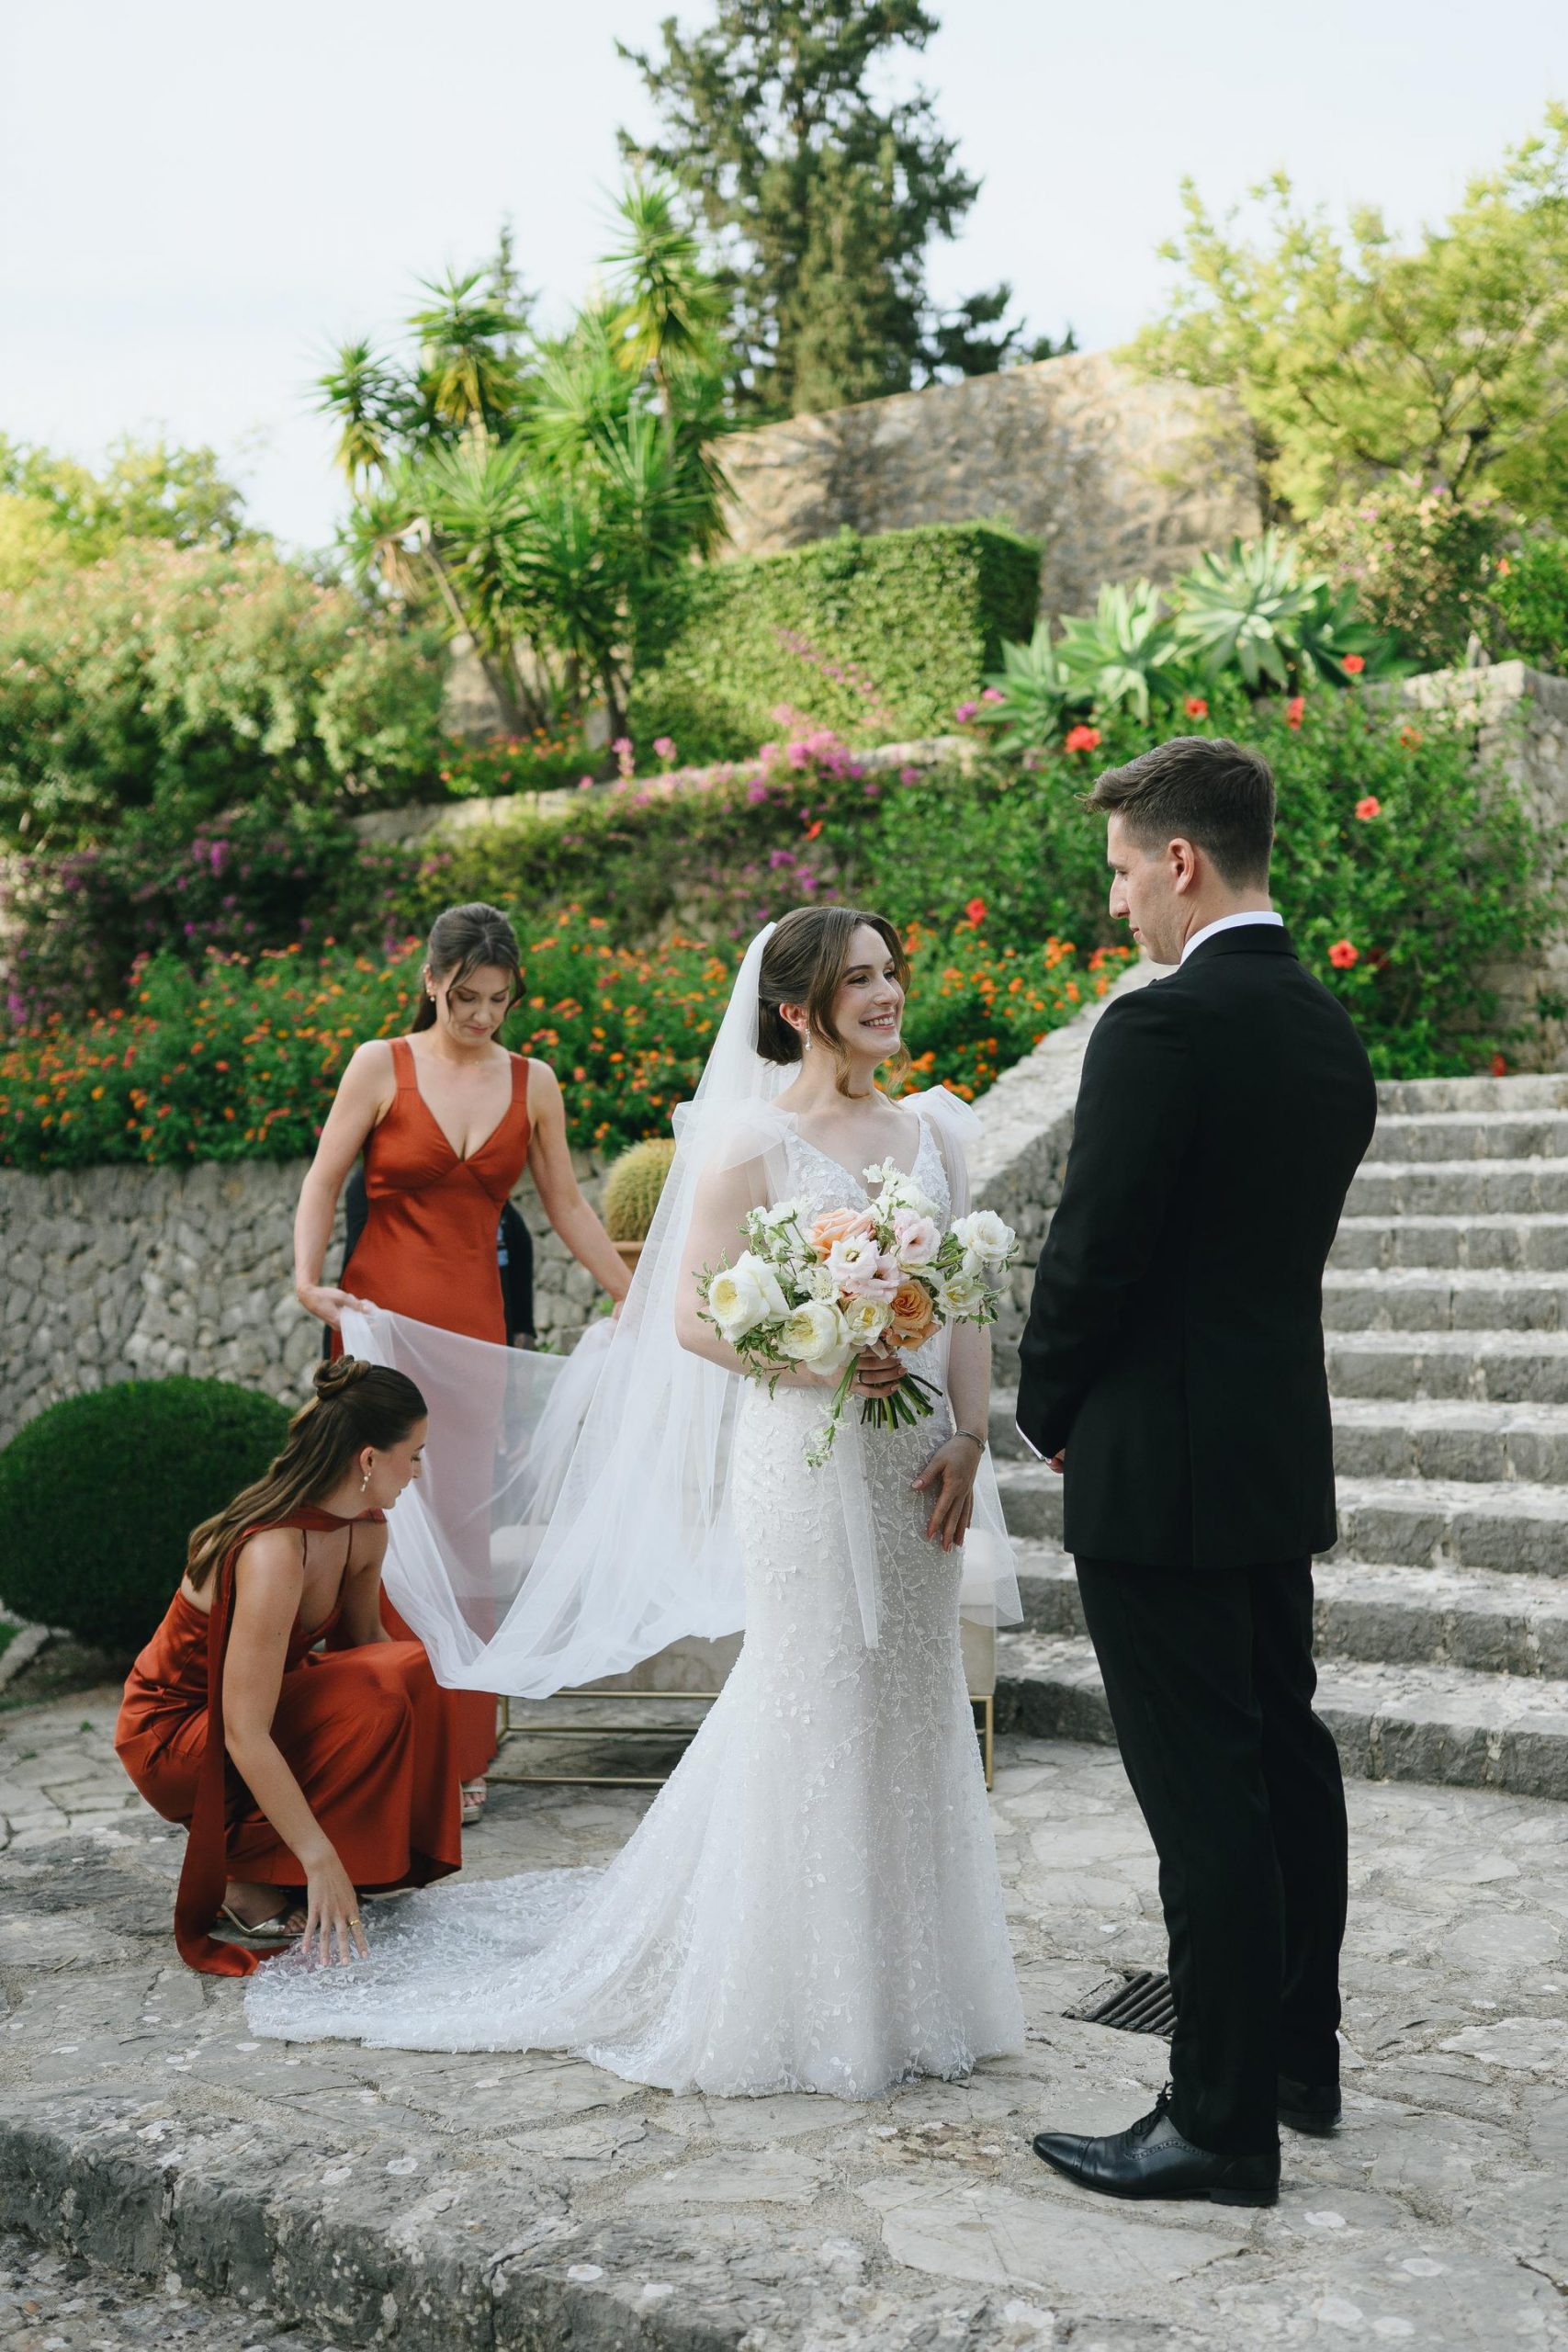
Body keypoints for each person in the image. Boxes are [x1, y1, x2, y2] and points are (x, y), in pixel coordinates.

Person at [246, 907, 1025, 2098]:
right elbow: (691, 1320)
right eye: (856, 979)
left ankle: (918, 1996)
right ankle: (796, 1998)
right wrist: (811, 1356)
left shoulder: (932, 1135)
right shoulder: (751, 1145)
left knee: (908, 1698)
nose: (883, 995)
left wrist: (969, 1438)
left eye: (888, 973)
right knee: (809, 1699)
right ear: (796, 1008)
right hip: (802, 1464)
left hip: (916, 1460)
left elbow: (960, 1308)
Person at [1018, 736, 1377, 2208]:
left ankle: (1215, 2122)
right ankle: (1296, 2057)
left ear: (1179, 861)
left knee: (1200, 1798)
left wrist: (1044, 1409)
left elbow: (1093, 1249)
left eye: (1121, 875)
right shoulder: (1322, 1030)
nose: (1118, 910)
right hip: (1266, 1454)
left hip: (1155, 1470)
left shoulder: (1157, 1028)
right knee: (1282, 1756)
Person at [293, 900, 628, 1823]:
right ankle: (375, 1745)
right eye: (465, 996)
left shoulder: (535, 1081)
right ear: (430, 980)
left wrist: (632, 1298)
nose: (482, 1016)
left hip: (474, 1334)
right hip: (381, 1333)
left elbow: (566, 1206)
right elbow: (324, 1178)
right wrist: (306, 1281)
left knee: (465, 1534)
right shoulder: (379, 1064)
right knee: (378, 1536)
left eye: (499, 999)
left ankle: (462, 1754)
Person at [116, 1359, 461, 1977]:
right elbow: (241, 1730)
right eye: (414, 1455)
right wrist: (319, 1856)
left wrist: (423, 1753)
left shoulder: (365, 1529)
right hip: (176, 1736)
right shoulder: (275, 1551)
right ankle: (241, 1871)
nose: (417, 1472)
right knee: (384, 1684)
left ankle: (300, 1857)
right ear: (367, 1460)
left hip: (254, 1712)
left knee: (403, 1675)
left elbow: (367, 1651)